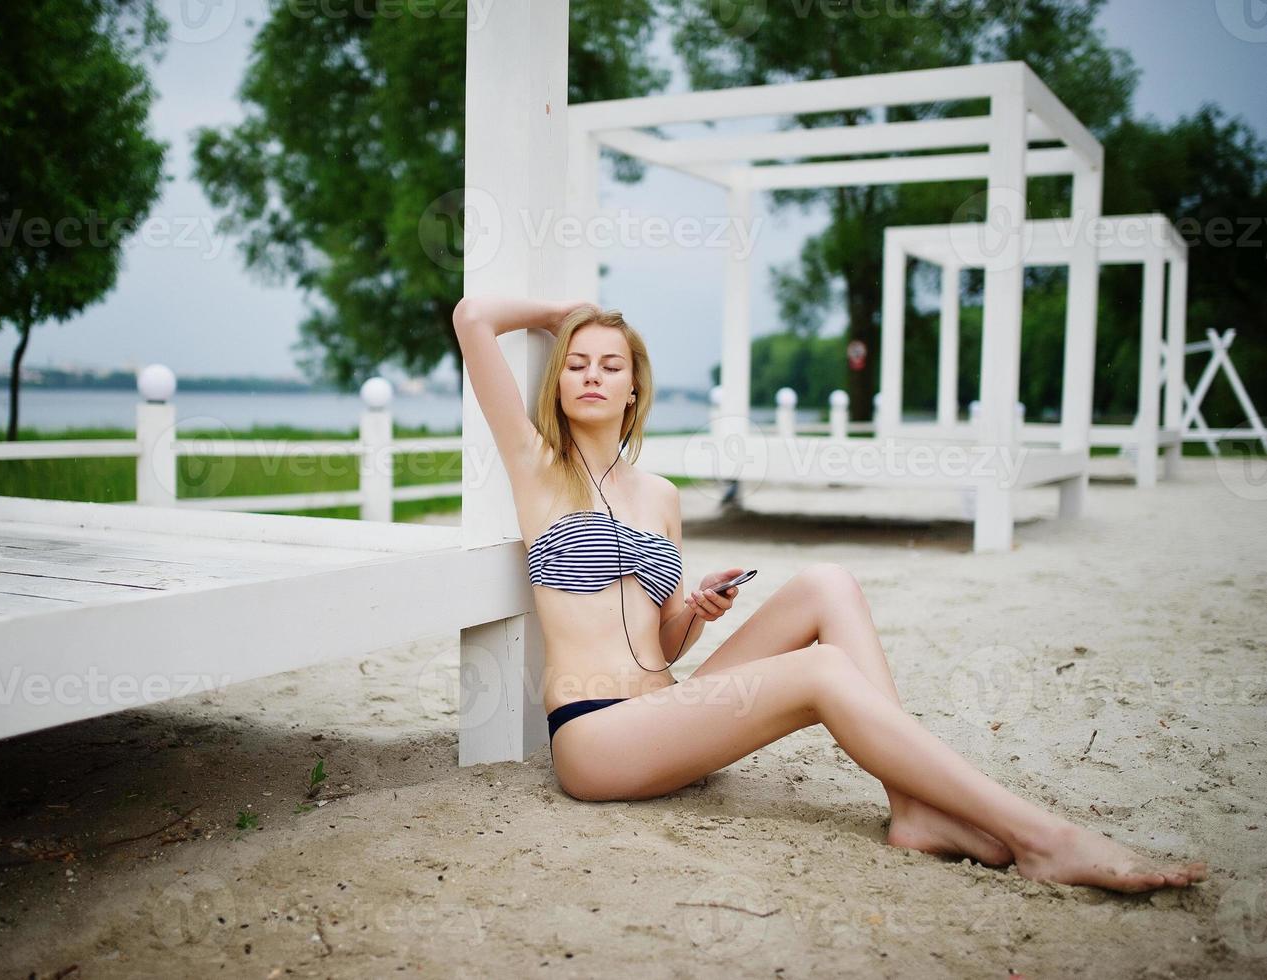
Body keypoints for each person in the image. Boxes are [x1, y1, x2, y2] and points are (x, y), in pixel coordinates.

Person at [452, 293, 1209, 894]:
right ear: (558, 382)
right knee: (817, 673)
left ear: (634, 387)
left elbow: (664, 647)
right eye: (576, 363)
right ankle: (1047, 839)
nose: (589, 374)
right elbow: (473, 319)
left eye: (609, 364)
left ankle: (911, 806)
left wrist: (692, 611)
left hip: (665, 709)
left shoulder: (660, 495)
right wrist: (563, 315)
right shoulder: (536, 467)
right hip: (597, 738)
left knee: (827, 583)